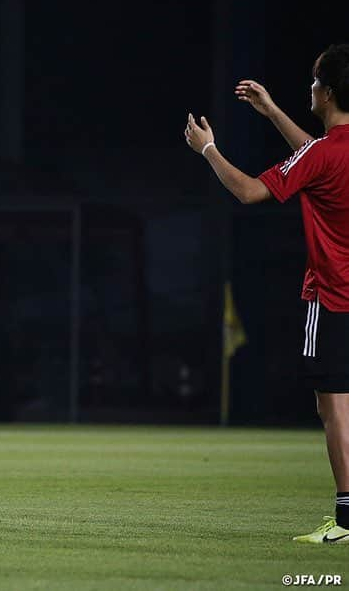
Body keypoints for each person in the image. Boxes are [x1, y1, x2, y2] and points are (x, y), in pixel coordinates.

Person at [184, 43, 349, 544]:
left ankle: (346, 521)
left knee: (335, 407)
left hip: (335, 297)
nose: (311, 90)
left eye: (314, 82)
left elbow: (251, 191)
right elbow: (315, 157)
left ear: (325, 91)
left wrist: (208, 150)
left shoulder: (320, 154)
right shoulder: (327, 152)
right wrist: (272, 110)